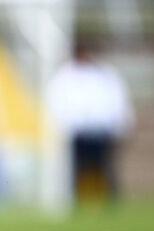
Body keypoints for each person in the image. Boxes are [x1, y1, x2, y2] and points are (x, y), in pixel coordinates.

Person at [46, 40, 134, 204]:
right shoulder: (65, 76)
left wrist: (122, 126)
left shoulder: (105, 74)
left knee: (105, 167)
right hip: (76, 132)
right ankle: (74, 200)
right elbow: (55, 103)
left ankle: (111, 201)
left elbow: (118, 101)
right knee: (75, 169)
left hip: (101, 130)